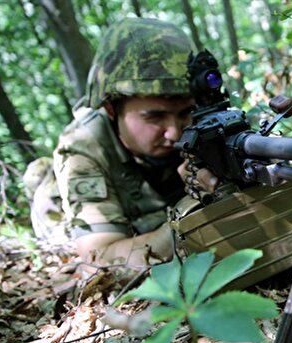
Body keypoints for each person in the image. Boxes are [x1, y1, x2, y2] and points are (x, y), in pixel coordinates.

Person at [27, 18, 216, 267]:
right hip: (66, 211)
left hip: (152, 208)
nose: (174, 132)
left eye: (184, 113)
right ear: (111, 109)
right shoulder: (84, 148)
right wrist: (190, 217)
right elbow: (100, 259)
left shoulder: (207, 122)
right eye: (155, 116)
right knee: (42, 189)